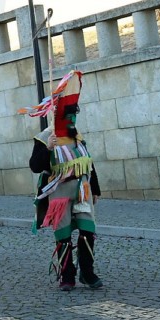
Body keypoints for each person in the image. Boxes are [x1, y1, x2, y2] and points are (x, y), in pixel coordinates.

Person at [26, 71, 104, 292]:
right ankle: (67, 274)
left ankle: (88, 273)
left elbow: (89, 163)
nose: (72, 120)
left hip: (82, 190)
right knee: (64, 234)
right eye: (69, 115)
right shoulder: (44, 138)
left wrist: (96, 189)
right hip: (59, 192)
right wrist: (48, 148)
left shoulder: (77, 137)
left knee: (88, 231)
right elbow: (35, 166)